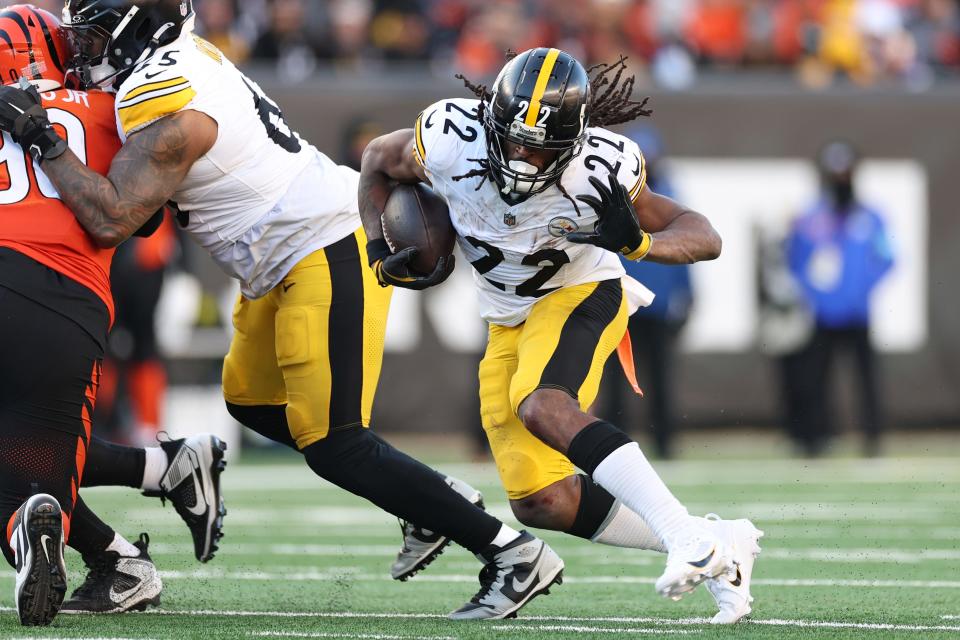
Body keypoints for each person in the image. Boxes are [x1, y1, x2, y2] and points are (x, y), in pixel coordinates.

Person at [0, 0, 563, 621]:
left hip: (322, 246)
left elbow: (113, 217)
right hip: (278, 261)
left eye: (96, 36)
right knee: (253, 403)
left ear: (138, 29)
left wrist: (43, 136)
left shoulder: (158, 94)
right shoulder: (173, 63)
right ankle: (424, 500)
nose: (83, 52)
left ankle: (510, 550)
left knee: (335, 444)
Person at [359, 47, 762, 624]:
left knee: (545, 405)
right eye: (516, 139)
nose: (524, 156)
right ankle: (721, 546)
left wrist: (636, 243)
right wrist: (378, 246)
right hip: (506, 315)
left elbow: (703, 235)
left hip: (580, 292)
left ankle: (689, 542)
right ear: (491, 119)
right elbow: (376, 159)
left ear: (574, 141)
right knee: (540, 501)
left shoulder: (599, 168)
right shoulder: (449, 136)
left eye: (542, 146)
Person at [0, 4, 225, 624]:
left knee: (25, 462)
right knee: (35, 453)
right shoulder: (116, 107)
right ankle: (119, 531)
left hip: (30, 272)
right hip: (72, 300)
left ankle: (49, 528)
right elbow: (142, 215)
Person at [786, 140, 894, 457]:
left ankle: (872, 437)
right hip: (823, 314)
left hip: (858, 313)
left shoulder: (871, 217)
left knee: (867, 378)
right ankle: (818, 438)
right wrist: (815, 293)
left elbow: (888, 257)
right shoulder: (809, 217)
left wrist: (862, 288)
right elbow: (794, 261)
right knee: (817, 378)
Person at [598, 126, 692, 459]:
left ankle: (664, 442)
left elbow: (684, 252)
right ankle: (614, 447)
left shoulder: (667, 198)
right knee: (612, 382)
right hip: (619, 300)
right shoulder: (613, 195)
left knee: (660, 378)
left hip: (658, 305)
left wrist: (687, 296)